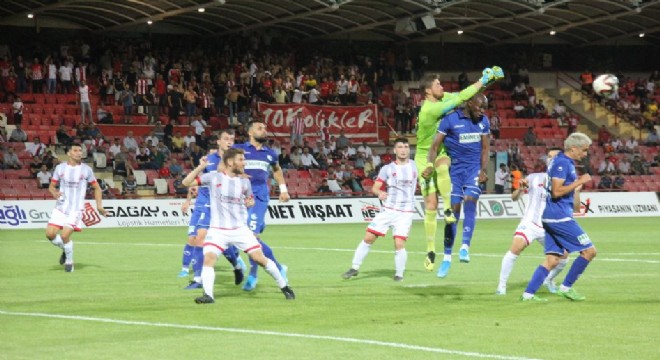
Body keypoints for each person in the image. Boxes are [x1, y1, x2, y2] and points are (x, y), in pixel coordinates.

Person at [181, 149, 294, 303]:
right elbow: (186, 183)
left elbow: (250, 199)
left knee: (260, 259)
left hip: (240, 230)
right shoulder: (213, 177)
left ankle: (285, 287)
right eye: (240, 160)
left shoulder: (244, 181)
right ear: (229, 162)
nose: (244, 163)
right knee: (209, 259)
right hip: (218, 230)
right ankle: (208, 295)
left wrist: (250, 202)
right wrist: (201, 167)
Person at [417, 67, 503, 271]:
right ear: (428, 90)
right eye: (438, 84)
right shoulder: (430, 109)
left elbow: (466, 96)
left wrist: (488, 83)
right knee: (430, 205)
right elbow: (461, 99)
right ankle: (432, 250)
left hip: (448, 157)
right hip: (423, 154)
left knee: (449, 173)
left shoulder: (446, 100)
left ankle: (453, 221)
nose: (442, 86)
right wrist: (483, 79)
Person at [520, 132, 595, 302]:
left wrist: (576, 187)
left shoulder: (561, 161)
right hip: (559, 217)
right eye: (584, 150)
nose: (585, 154)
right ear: (574, 149)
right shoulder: (562, 163)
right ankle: (566, 287)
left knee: (553, 259)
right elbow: (556, 191)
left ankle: (528, 294)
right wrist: (579, 181)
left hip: (552, 216)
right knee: (589, 251)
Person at [424, 94, 490, 277]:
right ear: (469, 104)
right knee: (453, 213)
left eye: (484, 108)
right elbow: (434, 146)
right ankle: (446, 258)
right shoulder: (450, 120)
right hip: (454, 172)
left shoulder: (484, 121)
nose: (482, 112)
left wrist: (483, 169)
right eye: (479, 108)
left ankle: (465, 247)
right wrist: (430, 164)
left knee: (470, 200)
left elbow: (485, 148)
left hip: (473, 170)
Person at [341, 138, 417, 281]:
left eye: (406, 147)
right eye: (400, 147)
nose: (403, 149)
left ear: (409, 150)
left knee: (399, 243)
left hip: (405, 212)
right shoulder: (387, 168)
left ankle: (399, 274)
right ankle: (354, 267)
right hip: (388, 210)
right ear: (395, 150)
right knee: (369, 237)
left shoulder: (415, 165)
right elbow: (375, 187)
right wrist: (380, 193)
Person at [496, 148, 569, 295]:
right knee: (515, 249)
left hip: (549, 226)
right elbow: (514, 197)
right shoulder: (533, 177)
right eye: (549, 156)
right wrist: (520, 189)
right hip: (530, 223)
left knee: (564, 257)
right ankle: (501, 286)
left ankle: (548, 280)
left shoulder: (564, 181)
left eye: (553, 157)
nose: (550, 159)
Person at [179, 130, 244, 288]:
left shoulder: (235, 161)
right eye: (226, 139)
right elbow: (194, 180)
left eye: (231, 139)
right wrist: (189, 200)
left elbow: (241, 180)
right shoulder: (209, 159)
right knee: (198, 238)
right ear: (219, 142)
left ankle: (236, 266)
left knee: (222, 242)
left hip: (224, 207)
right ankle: (197, 279)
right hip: (206, 204)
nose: (229, 141)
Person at [233, 120, 290, 291]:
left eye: (265, 128)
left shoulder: (270, 153)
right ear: (250, 132)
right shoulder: (239, 150)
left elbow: (277, 170)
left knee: (250, 236)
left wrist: (283, 189)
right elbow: (225, 164)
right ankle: (279, 267)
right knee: (248, 237)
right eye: (260, 128)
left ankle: (253, 275)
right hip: (239, 196)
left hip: (259, 196)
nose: (264, 130)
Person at [46, 144, 109, 272]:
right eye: (75, 150)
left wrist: (99, 207)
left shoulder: (86, 170)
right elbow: (51, 186)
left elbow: (97, 188)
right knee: (50, 234)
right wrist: (53, 192)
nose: (79, 153)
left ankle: (69, 261)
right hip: (61, 207)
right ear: (69, 153)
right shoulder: (60, 168)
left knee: (64, 236)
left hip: (76, 209)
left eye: (80, 151)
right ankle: (65, 248)